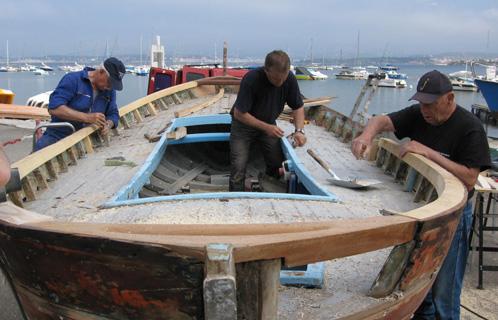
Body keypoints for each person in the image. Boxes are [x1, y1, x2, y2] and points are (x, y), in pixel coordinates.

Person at [351, 70, 490, 319]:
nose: (425, 109)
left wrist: (428, 152)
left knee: (444, 292)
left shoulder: (470, 128)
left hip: (453, 217)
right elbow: (382, 120)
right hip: (423, 210)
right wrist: (366, 135)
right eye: (421, 103)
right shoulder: (419, 116)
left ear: (449, 98)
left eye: (431, 103)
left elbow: (470, 177)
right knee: (418, 289)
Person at [229, 50, 307, 191]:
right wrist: (267, 128)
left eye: (283, 79)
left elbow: (298, 106)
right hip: (243, 126)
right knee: (238, 166)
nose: (280, 83)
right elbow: (239, 114)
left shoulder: (289, 79)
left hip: (268, 125)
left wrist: (299, 131)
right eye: (276, 79)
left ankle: (268, 189)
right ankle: (235, 199)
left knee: (277, 163)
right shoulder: (251, 79)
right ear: (266, 70)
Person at [34, 57, 126, 151]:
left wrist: (108, 124)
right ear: (101, 71)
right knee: (37, 157)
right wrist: (87, 117)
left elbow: (113, 113)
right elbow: (54, 108)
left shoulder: (109, 90)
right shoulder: (73, 80)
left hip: (87, 138)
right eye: (109, 82)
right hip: (58, 136)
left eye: (113, 85)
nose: (110, 87)